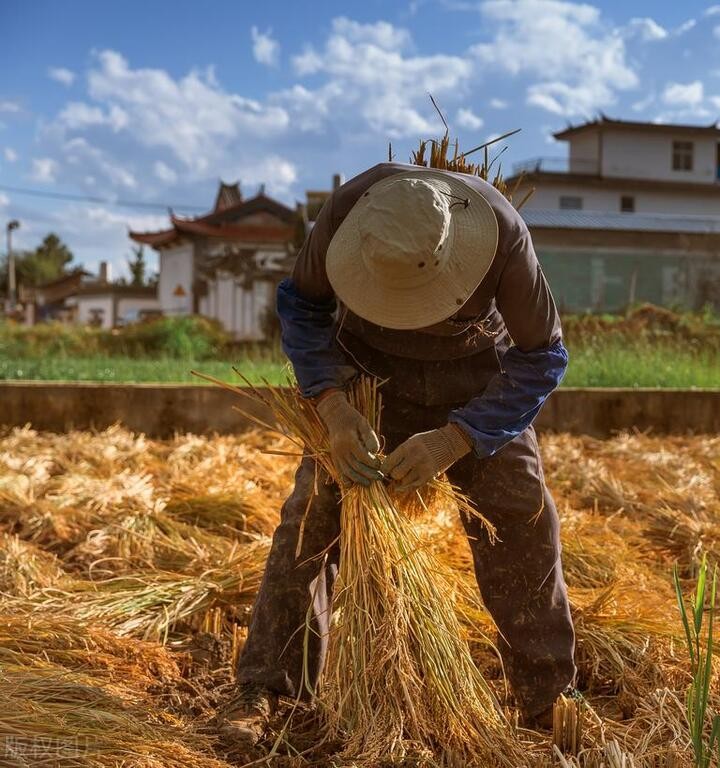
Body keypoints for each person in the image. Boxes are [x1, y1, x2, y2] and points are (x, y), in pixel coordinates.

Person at [216, 163, 576, 745]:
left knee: (521, 514)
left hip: (477, 384)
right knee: (311, 516)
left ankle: (545, 697)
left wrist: (457, 438)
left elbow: (543, 357)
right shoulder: (342, 214)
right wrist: (333, 408)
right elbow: (302, 309)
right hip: (366, 379)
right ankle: (268, 688)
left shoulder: (502, 236)